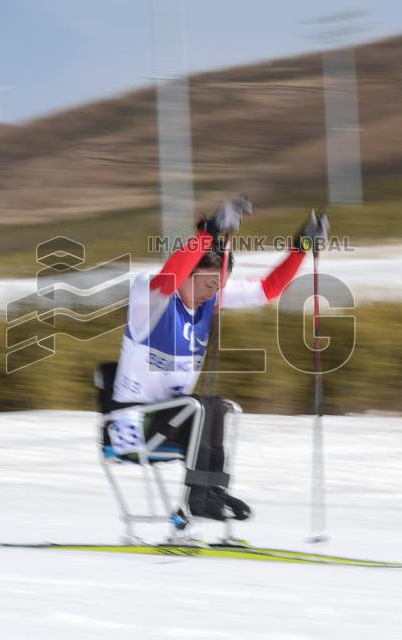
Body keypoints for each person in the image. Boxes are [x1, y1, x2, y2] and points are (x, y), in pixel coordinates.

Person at [106, 198, 329, 523]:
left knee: (214, 406)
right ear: (189, 275)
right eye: (208, 284)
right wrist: (208, 232)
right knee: (199, 407)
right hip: (133, 425)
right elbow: (172, 272)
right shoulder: (151, 295)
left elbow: (268, 290)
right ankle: (198, 498)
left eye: (219, 286)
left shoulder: (208, 300)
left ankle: (210, 493)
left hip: (172, 420)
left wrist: (301, 246)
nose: (214, 293)